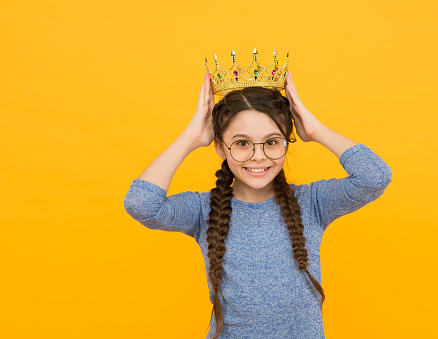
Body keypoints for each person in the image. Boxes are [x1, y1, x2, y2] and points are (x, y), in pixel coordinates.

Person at [123, 71, 393, 339]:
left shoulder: (312, 203)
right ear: (219, 147)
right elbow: (141, 204)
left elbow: (375, 177)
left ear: (287, 142)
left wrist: (314, 129)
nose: (258, 156)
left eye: (272, 142)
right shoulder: (203, 211)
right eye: (242, 143)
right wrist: (191, 137)